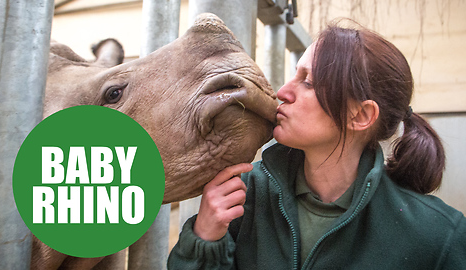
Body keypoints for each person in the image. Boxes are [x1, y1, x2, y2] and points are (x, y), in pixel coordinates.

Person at [167, 20, 466, 269]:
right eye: (294, 75)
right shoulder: (242, 196)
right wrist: (205, 238)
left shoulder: (439, 236)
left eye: (307, 82)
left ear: (361, 115)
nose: (283, 92)